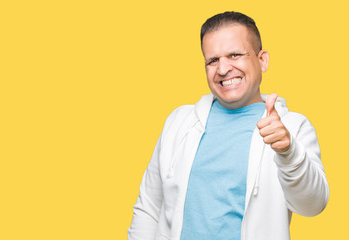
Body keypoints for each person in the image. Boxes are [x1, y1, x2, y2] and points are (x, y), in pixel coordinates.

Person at [128, 11, 329, 240]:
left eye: (234, 55)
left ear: (262, 60)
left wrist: (289, 152)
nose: (223, 69)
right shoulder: (179, 122)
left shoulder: (292, 127)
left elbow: (313, 205)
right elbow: (149, 208)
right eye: (213, 60)